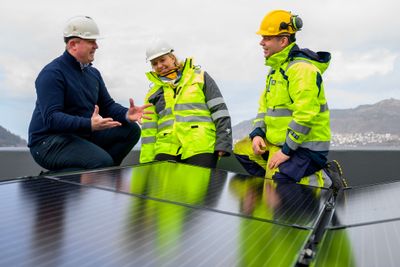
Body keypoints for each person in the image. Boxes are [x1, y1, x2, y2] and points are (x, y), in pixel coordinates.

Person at [28, 15, 152, 172]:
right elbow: (52, 119)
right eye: (91, 41)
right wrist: (88, 124)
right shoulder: (52, 73)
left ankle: (100, 178)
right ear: (73, 44)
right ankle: (52, 182)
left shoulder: (93, 73)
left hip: (80, 134)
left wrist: (127, 114)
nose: (97, 46)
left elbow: (107, 105)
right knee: (101, 162)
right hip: (47, 142)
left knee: (131, 130)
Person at [249, 10, 347, 192]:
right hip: (285, 143)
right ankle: (278, 183)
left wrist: (286, 151)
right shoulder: (276, 70)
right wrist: (257, 133)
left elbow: (305, 115)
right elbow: (264, 108)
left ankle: (326, 179)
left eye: (267, 38)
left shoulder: (301, 70)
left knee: (280, 182)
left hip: (307, 147)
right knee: (243, 152)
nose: (261, 43)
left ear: (283, 40)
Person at [139, 39, 232, 168]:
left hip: (201, 144)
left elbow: (219, 110)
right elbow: (148, 131)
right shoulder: (152, 94)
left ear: (172, 58)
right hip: (166, 148)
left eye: (162, 60)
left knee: (196, 187)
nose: (159, 66)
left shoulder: (200, 77)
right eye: (154, 63)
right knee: (164, 188)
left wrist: (223, 143)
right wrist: (146, 163)